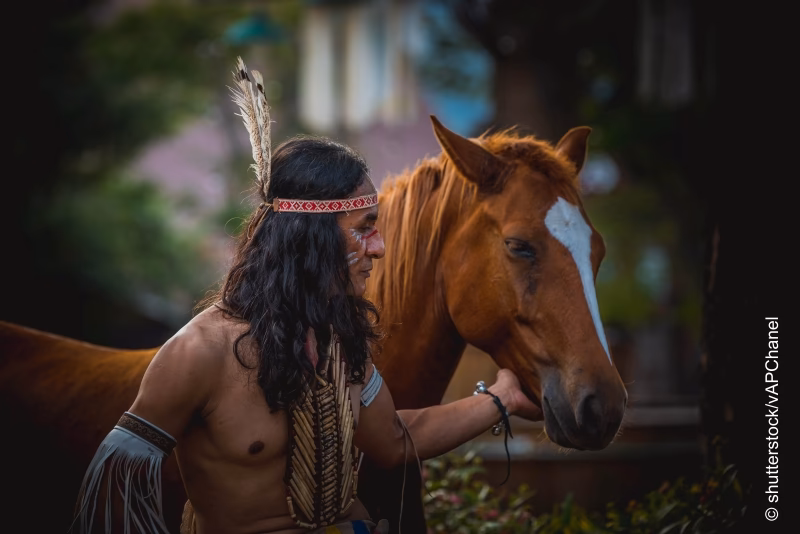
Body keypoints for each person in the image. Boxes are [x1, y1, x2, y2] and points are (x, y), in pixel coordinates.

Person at [71, 58, 540, 534]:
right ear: (310, 237)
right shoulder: (199, 352)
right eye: (364, 229)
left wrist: (500, 399)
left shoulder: (341, 339)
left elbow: (396, 440)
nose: (378, 248)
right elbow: (119, 481)